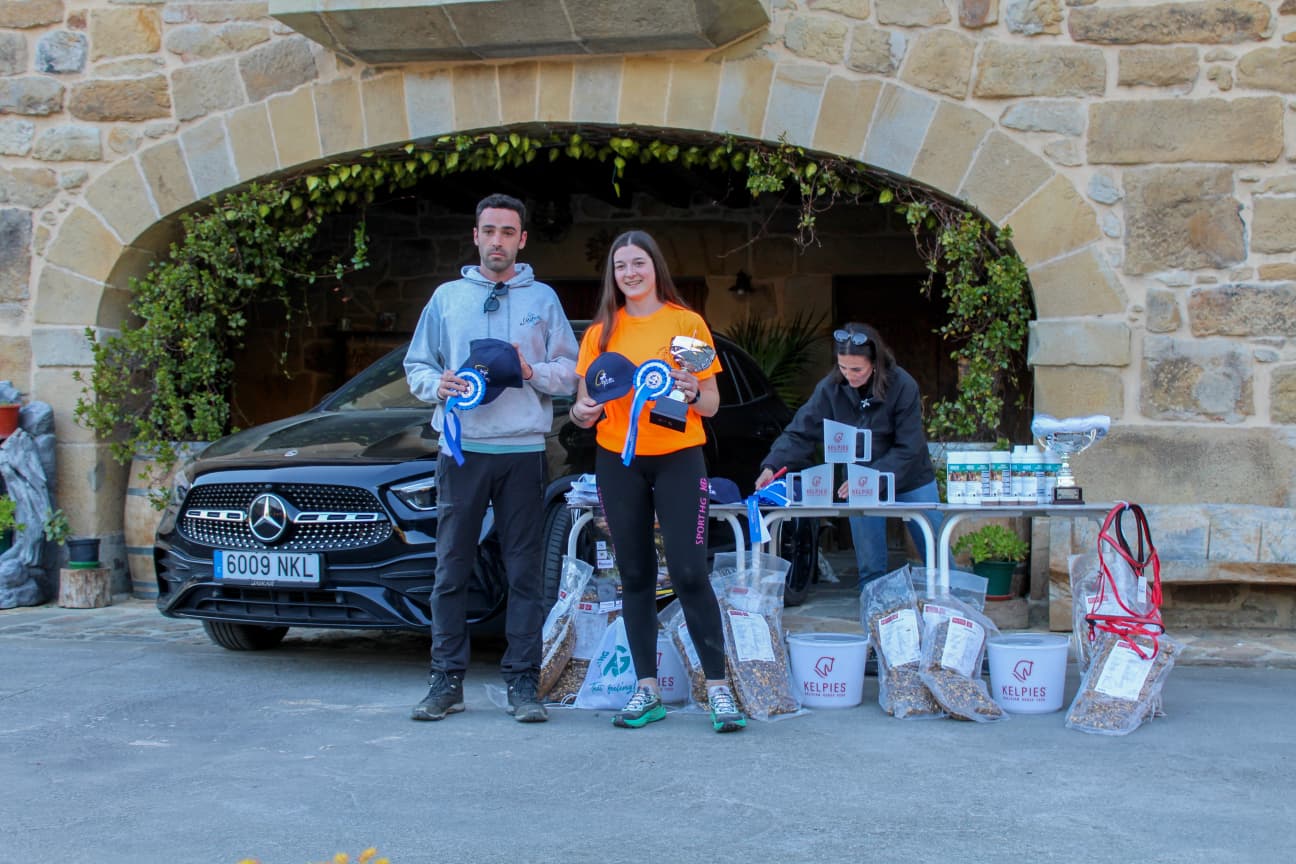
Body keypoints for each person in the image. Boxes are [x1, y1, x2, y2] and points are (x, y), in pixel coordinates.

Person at [404, 193, 579, 723]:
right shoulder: (447, 298)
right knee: (450, 568)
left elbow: (570, 371)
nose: (497, 240)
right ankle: (445, 681)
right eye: (489, 231)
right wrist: (440, 385)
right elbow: (416, 365)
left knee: (524, 570)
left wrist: (532, 373)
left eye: (508, 232)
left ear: (522, 239)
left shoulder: (543, 299)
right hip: (462, 449)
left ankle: (522, 683)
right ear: (475, 236)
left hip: (523, 451)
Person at [567, 230, 746, 733]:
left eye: (638, 263)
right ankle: (645, 689)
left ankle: (719, 689)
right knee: (635, 576)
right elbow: (585, 409)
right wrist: (582, 410)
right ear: (613, 275)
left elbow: (710, 405)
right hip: (617, 462)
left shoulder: (685, 325)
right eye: (621, 265)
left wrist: (691, 392)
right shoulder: (601, 332)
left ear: (654, 267)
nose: (630, 272)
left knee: (690, 572)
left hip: (678, 459)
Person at [755, 322, 940, 585]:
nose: (849, 375)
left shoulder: (902, 385)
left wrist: (870, 476)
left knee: (936, 550)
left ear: (874, 363)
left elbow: (909, 447)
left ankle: (954, 610)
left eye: (857, 369)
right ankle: (875, 617)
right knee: (870, 565)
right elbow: (800, 432)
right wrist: (773, 466)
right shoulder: (830, 388)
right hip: (856, 482)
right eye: (843, 367)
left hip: (910, 476)